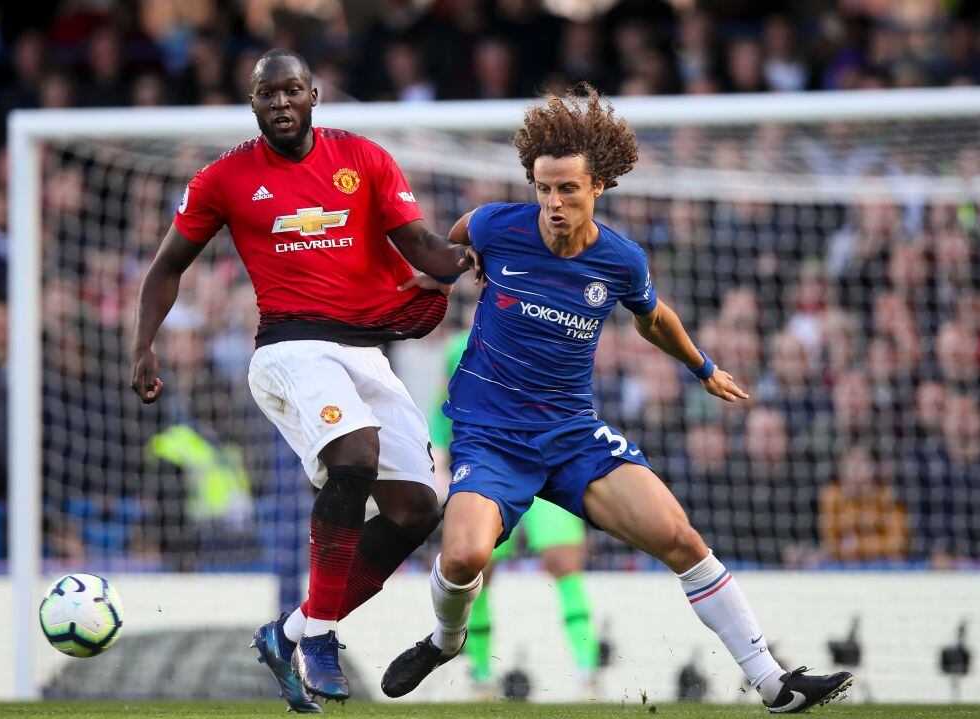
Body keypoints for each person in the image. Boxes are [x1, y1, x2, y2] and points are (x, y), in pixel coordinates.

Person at [381, 85, 854, 714]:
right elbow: (460, 236)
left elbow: (652, 318)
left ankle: (773, 683)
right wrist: (462, 257)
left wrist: (702, 366)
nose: (553, 202)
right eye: (544, 188)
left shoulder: (620, 260)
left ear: (596, 187)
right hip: (492, 436)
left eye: (567, 189)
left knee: (681, 538)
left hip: (573, 436)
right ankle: (447, 639)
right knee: (463, 554)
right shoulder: (498, 225)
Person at [130, 49, 477, 711]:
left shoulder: (364, 159)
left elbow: (427, 252)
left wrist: (483, 247)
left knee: (416, 509)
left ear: (314, 94)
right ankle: (320, 636)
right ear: (254, 103)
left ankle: (287, 629)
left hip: (365, 351)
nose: (281, 103)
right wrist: (144, 344)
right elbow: (166, 266)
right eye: (268, 94)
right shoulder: (224, 178)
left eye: (292, 90)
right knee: (354, 458)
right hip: (288, 349)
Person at [431, 329, 600, 697]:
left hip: (549, 460)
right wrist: (440, 456)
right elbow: (445, 402)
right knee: (478, 566)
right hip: (493, 465)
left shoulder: (553, 327)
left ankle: (588, 673)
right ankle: (479, 676)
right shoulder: (460, 345)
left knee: (564, 561)